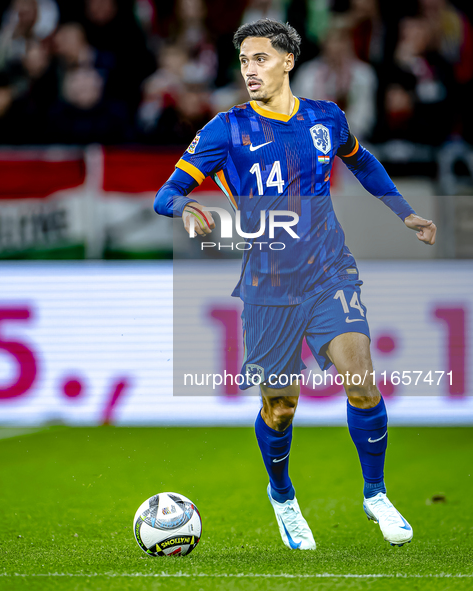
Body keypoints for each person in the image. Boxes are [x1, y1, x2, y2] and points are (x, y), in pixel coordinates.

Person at [153, 19, 436, 550]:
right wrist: (186, 204)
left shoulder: (326, 118)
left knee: (362, 380)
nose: (249, 70)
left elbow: (363, 161)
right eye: (243, 61)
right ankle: (282, 495)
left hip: (330, 270)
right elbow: (164, 193)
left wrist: (405, 213)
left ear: (287, 61)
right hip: (268, 285)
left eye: (259, 59)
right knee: (281, 407)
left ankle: (374, 492)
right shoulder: (224, 129)